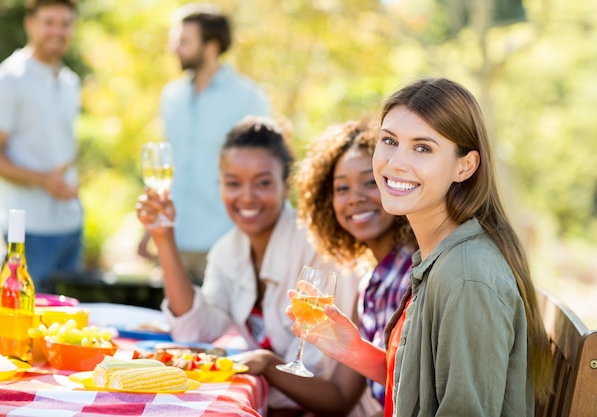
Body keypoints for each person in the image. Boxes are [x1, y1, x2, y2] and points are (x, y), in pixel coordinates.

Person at [293, 78, 552, 417]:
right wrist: (354, 350)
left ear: (465, 166)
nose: (396, 162)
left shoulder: (466, 276)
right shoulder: (441, 256)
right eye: (389, 141)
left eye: (423, 148)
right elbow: (429, 388)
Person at [135, 116, 359, 415]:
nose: (247, 197)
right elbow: (195, 330)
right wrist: (163, 238)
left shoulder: (318, 249)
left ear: (285, 185)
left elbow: (316, 372)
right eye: (233, 183)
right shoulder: (228, 250)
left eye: (263, 183)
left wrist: (265, 363)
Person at [236, 121, 417, 417]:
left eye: (369, 182)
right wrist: (268, 363)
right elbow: (339, 397)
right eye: (341, 188)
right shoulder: (370, 282)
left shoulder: (415, 273)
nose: (355, 197)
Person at [138, 3, 271, 285]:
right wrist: (148, 232)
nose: (174, 48)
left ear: (211, 46)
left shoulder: (247, 98)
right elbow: (164, 168)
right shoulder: (171, 97)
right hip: (176, 238)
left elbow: (268, 168)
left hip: (225, 241)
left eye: (184, 41)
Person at [0, 0, 82, 294]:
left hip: (71, 224)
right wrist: (43, 179)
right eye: (49, 22)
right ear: (30, 24)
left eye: (65, 23)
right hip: (28, 229)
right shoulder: (5, 81)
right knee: (26, 324)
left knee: (65, 325)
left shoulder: (70, 81)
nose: (58, 31)